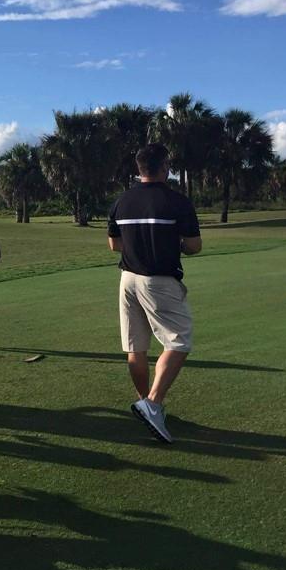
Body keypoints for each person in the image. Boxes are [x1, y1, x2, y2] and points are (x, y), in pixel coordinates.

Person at [107, 143, 202, 444]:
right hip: (158, 281)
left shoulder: (122, 201)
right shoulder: (177, 201)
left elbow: (114, 245)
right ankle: (153, 403)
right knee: (179, 341)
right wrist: (176, 245)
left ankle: (144, 401)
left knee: (136, 346)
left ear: (139, 168)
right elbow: (195, 245)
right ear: (164, 168)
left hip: (127, 279)